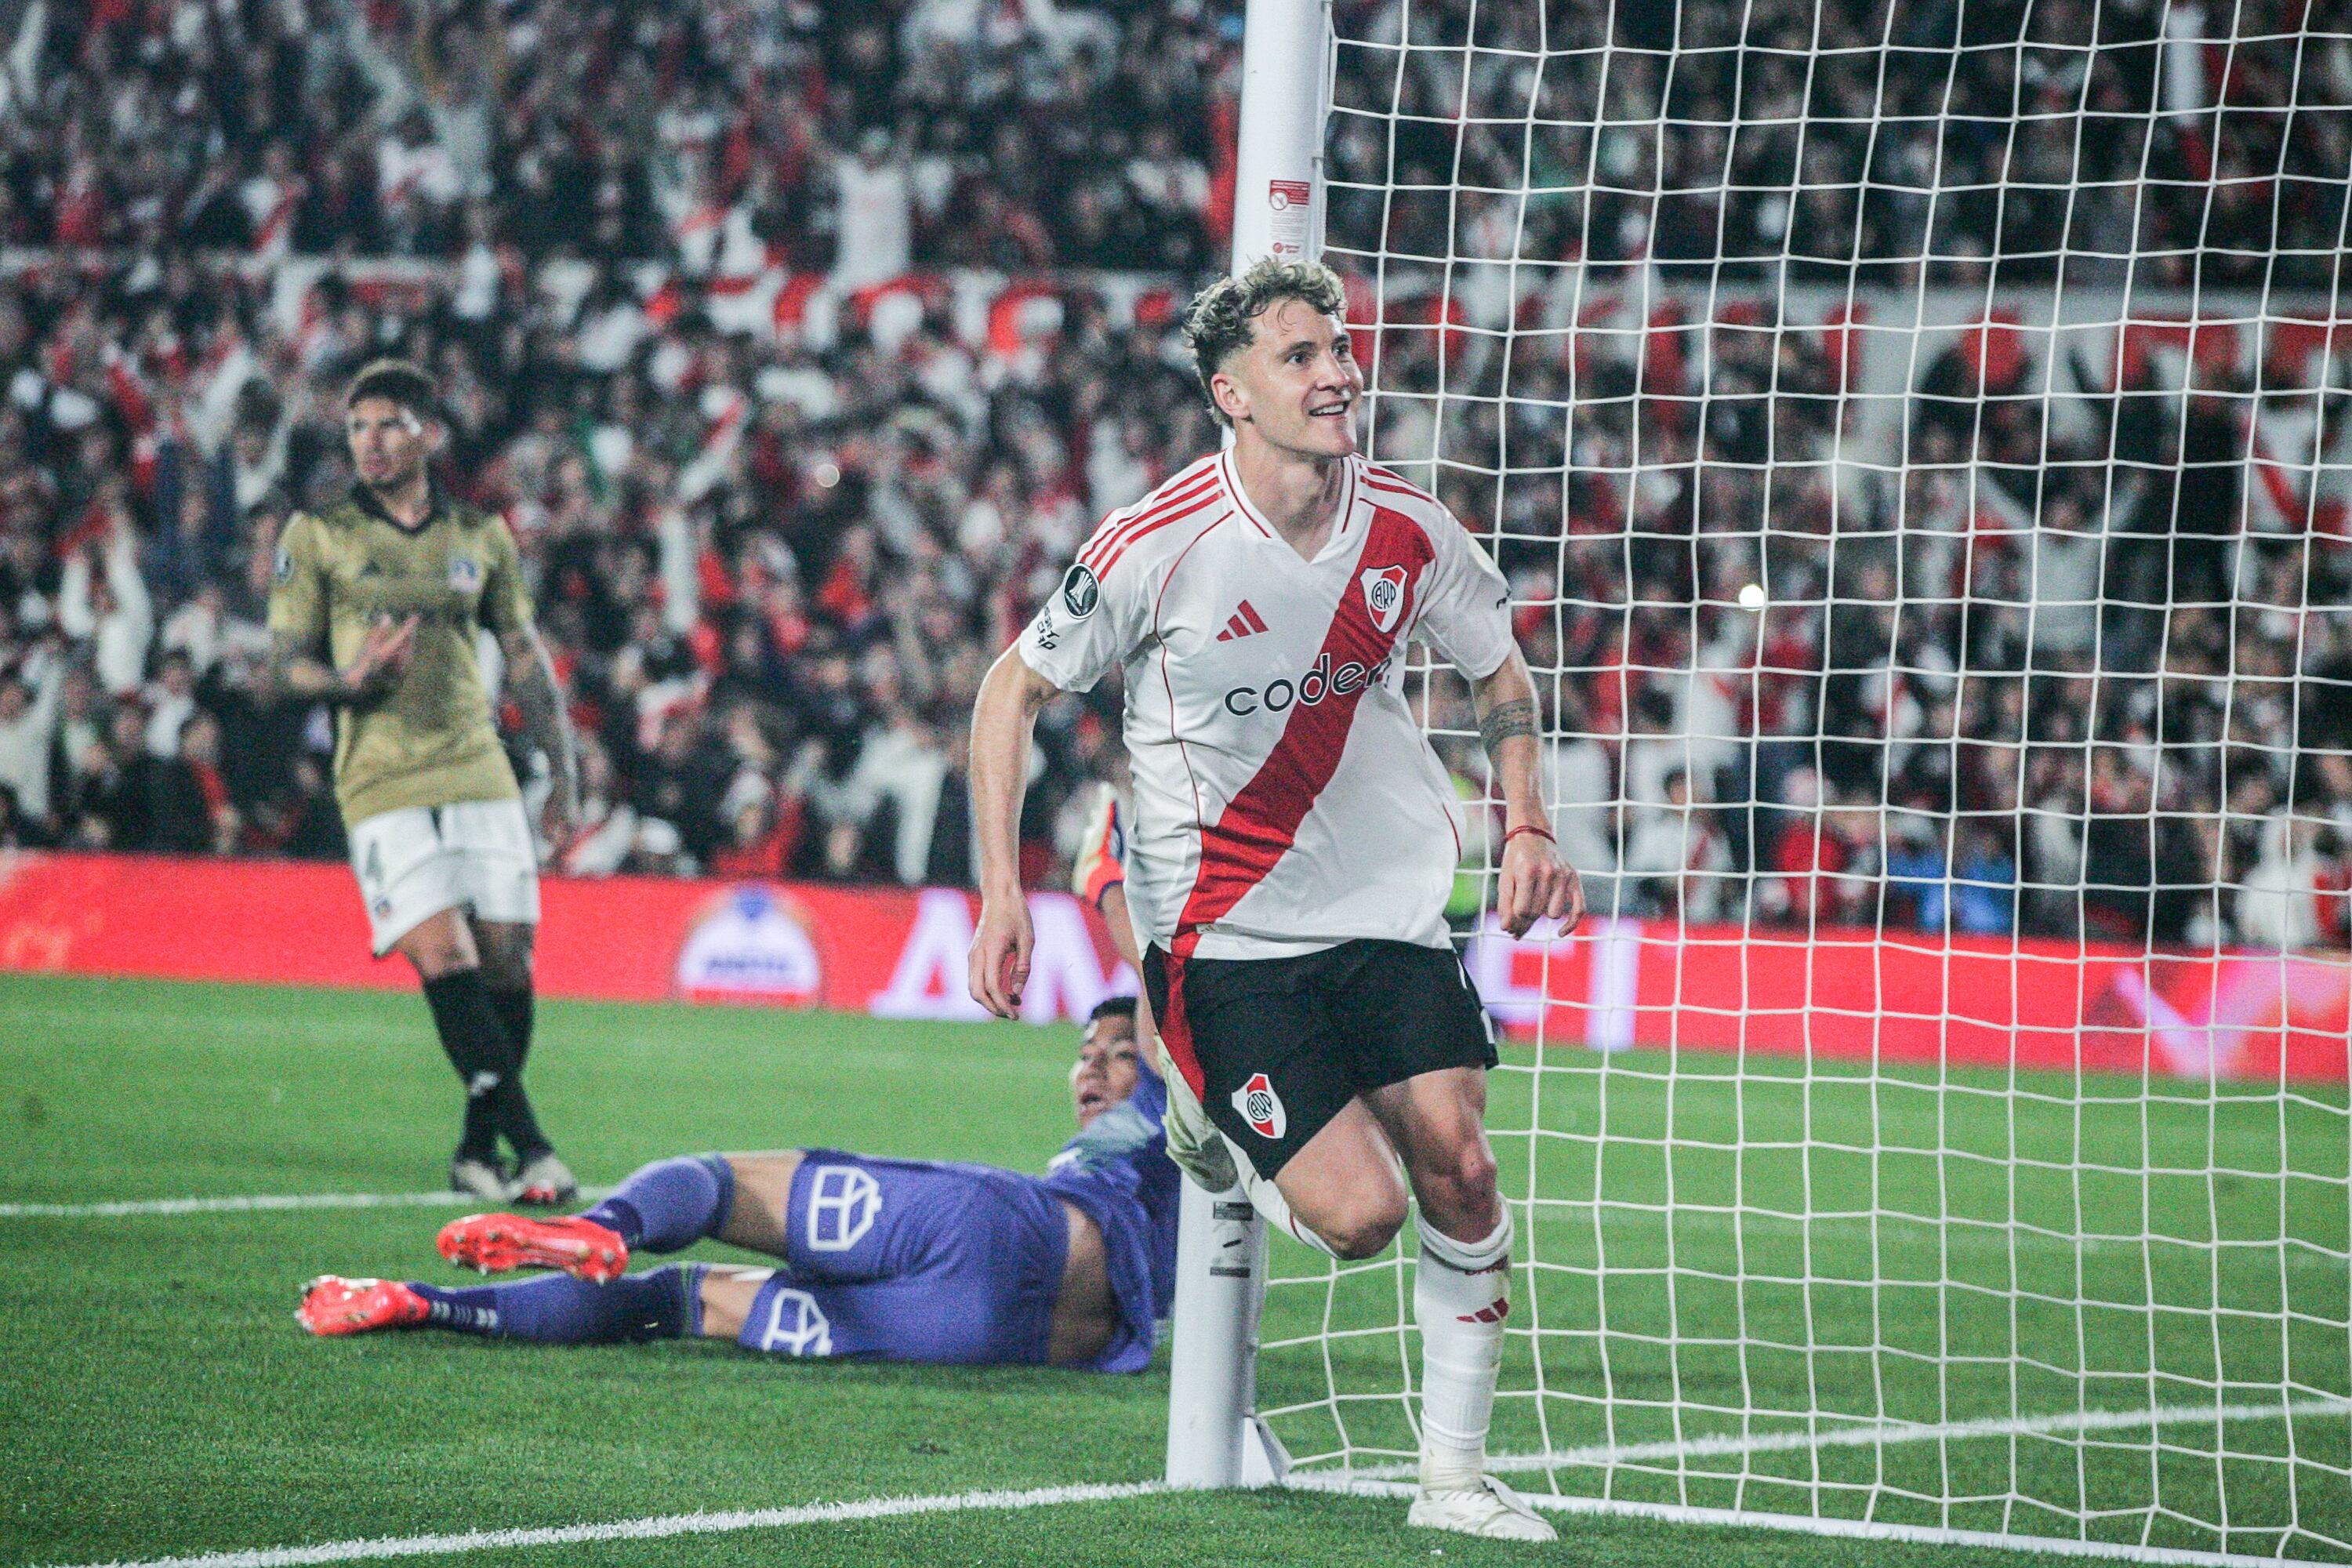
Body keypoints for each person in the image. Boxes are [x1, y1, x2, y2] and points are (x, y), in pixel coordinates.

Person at [966, 258, 1582, 1540]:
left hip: (1388, 922)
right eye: (1300, 357)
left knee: (1461, 1171)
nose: (1337, 373)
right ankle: (1210, 1122)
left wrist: (1526, 814)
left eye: (1339, 348)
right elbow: (1007, 692)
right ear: (1230, 394)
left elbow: (1501, 674)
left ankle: (1455, 1484)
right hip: (1224, 946)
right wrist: (999, 896)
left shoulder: (1410, 526)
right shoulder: (1157, 544)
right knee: (1359, 1216)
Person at [297, 994, 1178, 1374]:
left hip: (996, 1231)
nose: (1092, 1068)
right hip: (995, 1337)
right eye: (1083, 1053)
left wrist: (1110, 866)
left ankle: (606, 1223)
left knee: (722, 1188)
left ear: (1164, 1057)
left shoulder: (1179, 1095)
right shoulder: (1219, 1181)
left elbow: (1154, 979)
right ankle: (422, 1303)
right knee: (682, 1303)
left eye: (1119, 1053)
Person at [266, 360, 583, 1203]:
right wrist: (348, 681)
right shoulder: (318, 535)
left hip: (477, 766)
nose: (369, 442)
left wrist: (566, 774)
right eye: (358, 426)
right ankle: (535, 1148)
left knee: (510, 962)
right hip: (378, 777)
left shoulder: (480, 536)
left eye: (388, 423)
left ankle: (476, 1149)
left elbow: (525, 659)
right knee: (445, 950)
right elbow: (280, 667)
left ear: (428, 433)